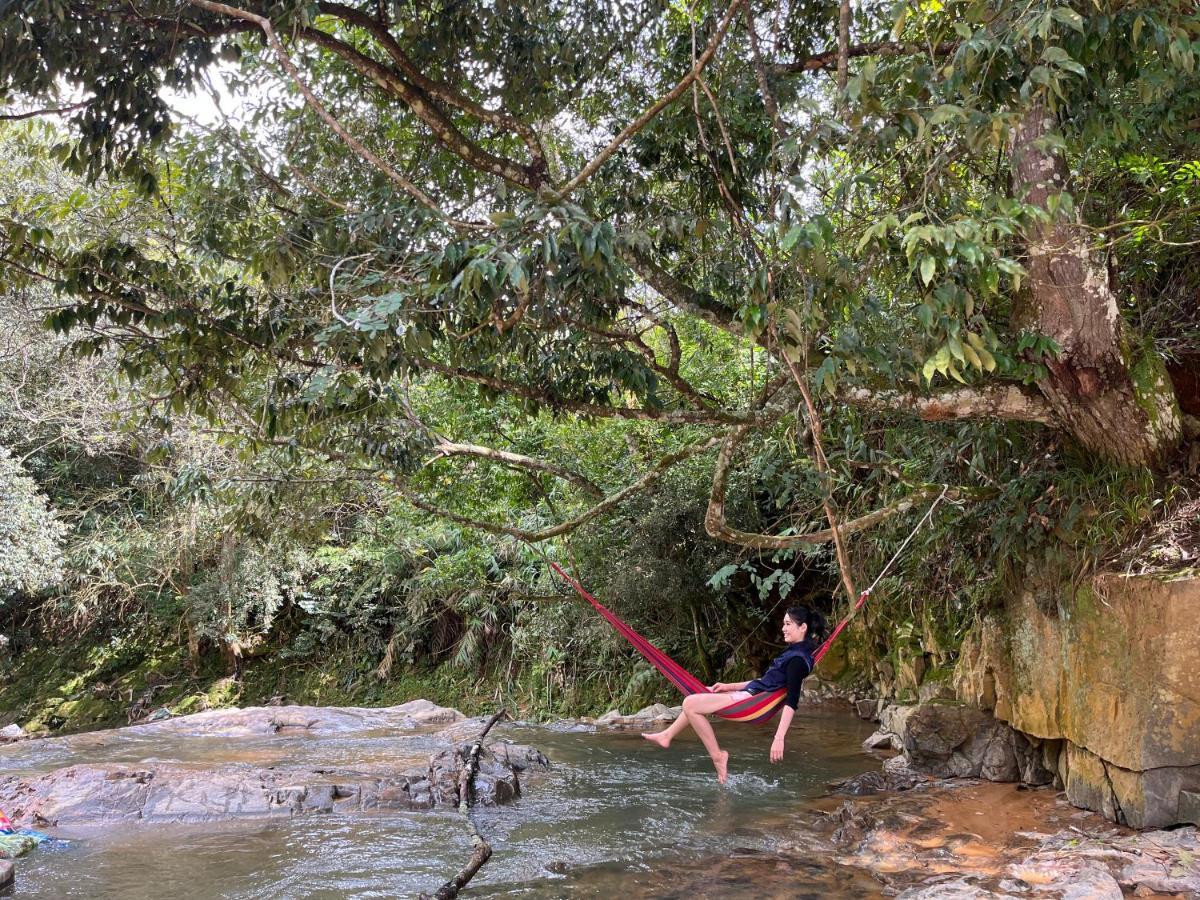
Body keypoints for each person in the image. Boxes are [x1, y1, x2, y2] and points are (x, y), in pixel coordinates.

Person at [640, 604, 826, 784]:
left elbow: (792, 701)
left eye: (788, 624)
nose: (783, 628)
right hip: (750, 696)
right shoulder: (798, 652)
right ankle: (667, 735)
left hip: (750, 701)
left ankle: (718, 756)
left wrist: (779, 738)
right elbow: (765, 683)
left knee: (690, 704)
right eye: (783, 623)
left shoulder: (797, 661)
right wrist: (729, 686)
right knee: (697, 699)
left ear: (803, 627)